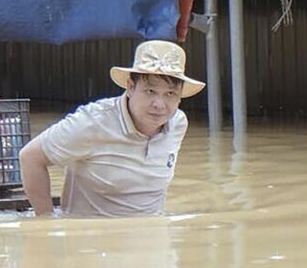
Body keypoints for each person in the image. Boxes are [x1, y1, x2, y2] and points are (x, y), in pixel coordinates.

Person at [18, 40, 205, 218]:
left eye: (170, 94)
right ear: (130, 87)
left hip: (152, 239)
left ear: (180, 97)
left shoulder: (178, 123)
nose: (159, 104)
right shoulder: (93, 121)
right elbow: (30, 157)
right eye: (150, 91)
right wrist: (46, 221)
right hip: (94, 242)